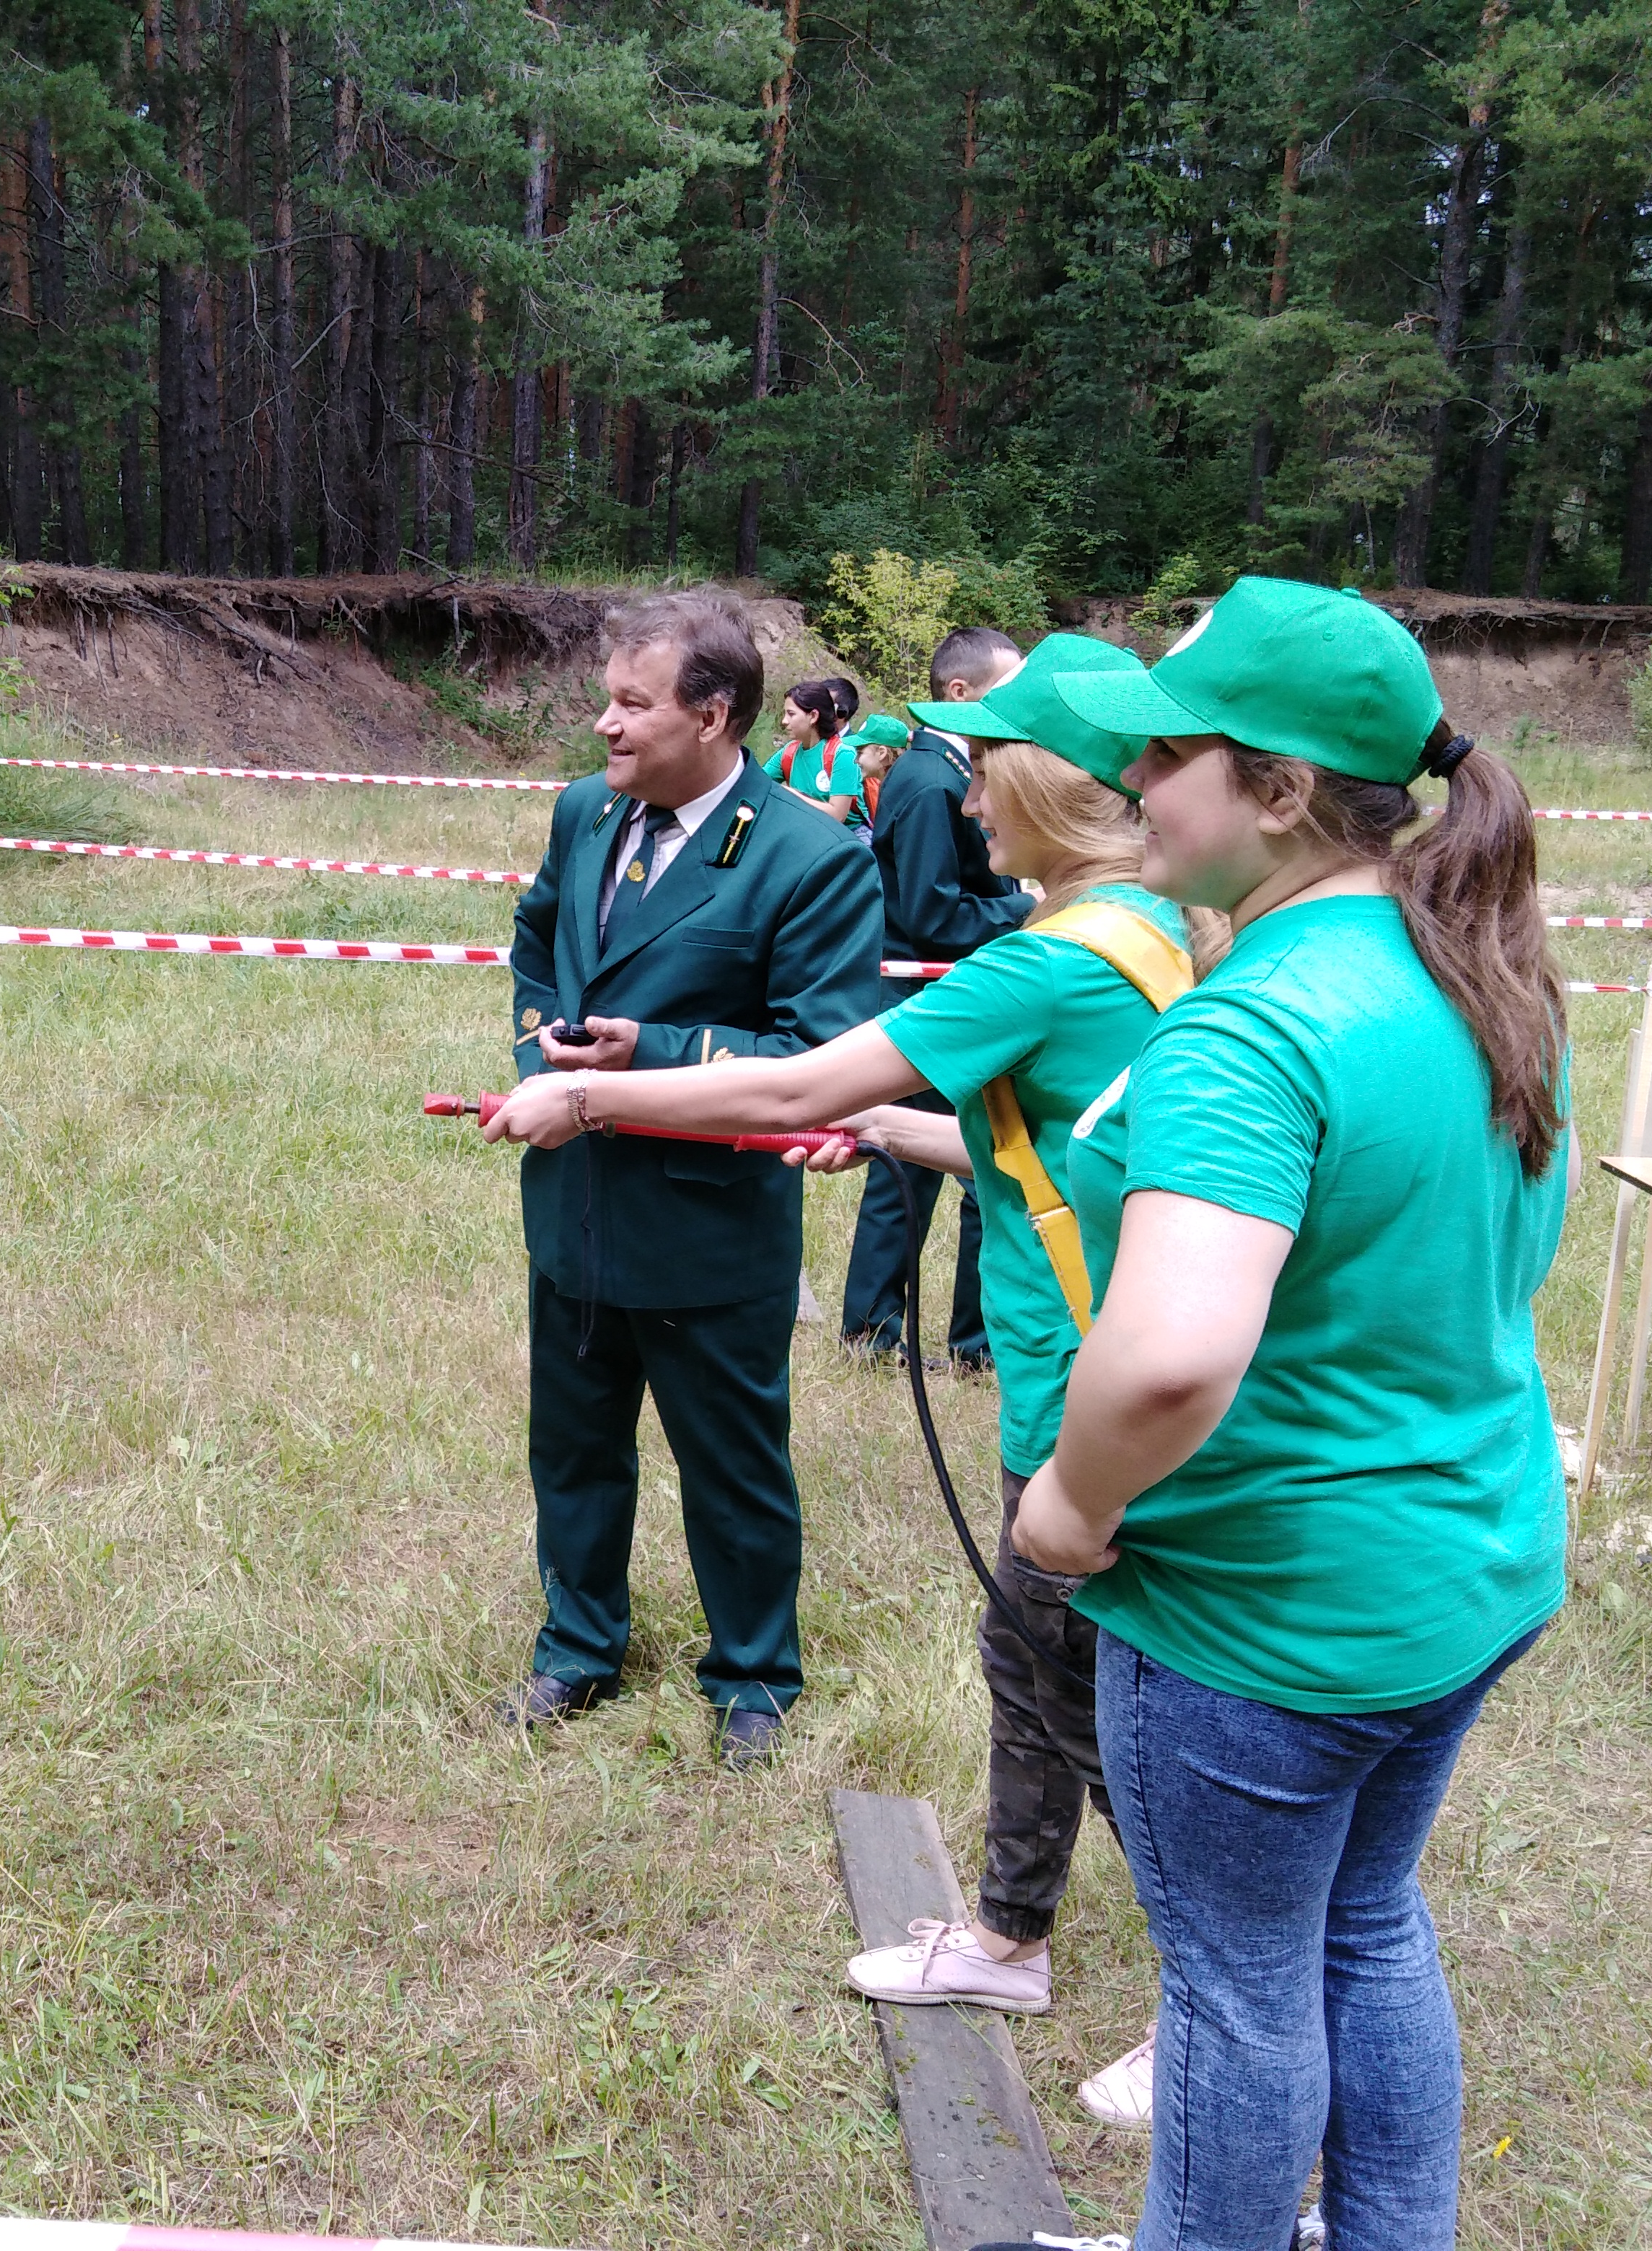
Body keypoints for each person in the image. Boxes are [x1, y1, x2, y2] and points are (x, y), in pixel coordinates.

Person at [479, 631, 1209, 2138]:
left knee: (1091, 1700)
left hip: (1082, 1383)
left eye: (972, 769)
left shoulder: (1029, 944)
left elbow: (808, 1072)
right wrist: (897, 1135)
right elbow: (1075, 1148)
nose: (941, 793)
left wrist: (607, 1082)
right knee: (1033, 1671)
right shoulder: (1151, 938)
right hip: (1032, 1369)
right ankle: (1007, 1935)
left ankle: (1217, 2012)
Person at [976, 575, 1567, 2251]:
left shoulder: (1251, 1022)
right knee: (1365, 1924)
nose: (1134, 784)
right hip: (1465, 1565)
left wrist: (1072, 1508)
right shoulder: (1477, 962)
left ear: (1284, 791)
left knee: (1236, 1991)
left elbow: (1167, 1356)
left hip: (1270, 1616)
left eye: (1168, 752)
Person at [498, 590, 885, 1772]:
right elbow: (537, 948)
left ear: (714, 715)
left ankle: (754, 1674)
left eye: (632, 704)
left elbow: (822, 1061)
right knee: (572, 1449)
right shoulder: (584, 814)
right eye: (606, 700)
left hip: (709, 1230)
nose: (605, 727)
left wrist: (646, 1056)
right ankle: (578, 1647)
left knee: (731, 1466)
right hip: (576, 1205)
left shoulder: (809, 859)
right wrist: (541, 1066)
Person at [840, 626, 1034, 1367]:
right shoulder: (928, 781)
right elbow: (930, 915)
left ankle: (974, 1344)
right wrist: (1022, 911)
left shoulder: (948, 773)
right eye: (1004, 689)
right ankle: (873, 1334)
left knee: (977, 1168)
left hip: (959, 998)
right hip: (924, 1001)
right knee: (907, 1172)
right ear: (959, 694)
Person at [763, 677, 864, 823]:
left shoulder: (843, 754)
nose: (784, 721)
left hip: (845, 837)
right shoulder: (789, 752)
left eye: (791, 714)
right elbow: (760, 781)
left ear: (813, 716)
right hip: (807, 829)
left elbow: (838, 815)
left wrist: (789, 794)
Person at [850, 712, 909, 835]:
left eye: (860, 753)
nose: (856, 760)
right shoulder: (889, 784)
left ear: (881, 753)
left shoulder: (901, 792)